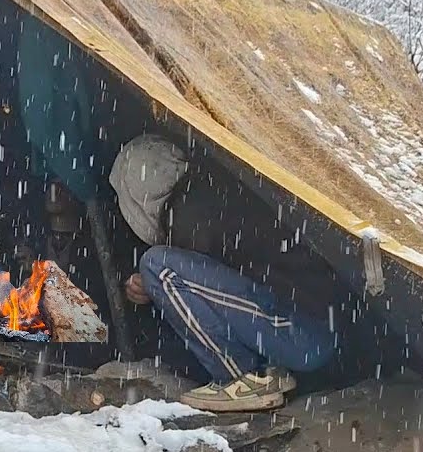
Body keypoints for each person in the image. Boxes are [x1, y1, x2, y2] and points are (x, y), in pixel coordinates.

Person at [109, 134, 338, 412]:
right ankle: (263, 375)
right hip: (319, 332)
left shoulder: (191, 214)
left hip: (304, 335)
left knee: (158, 265)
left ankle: (240, 379)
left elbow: (194, 286)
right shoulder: (214, 189)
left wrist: (154, 282)